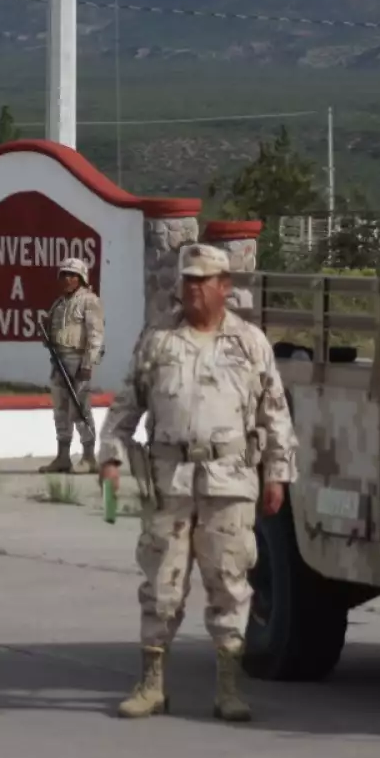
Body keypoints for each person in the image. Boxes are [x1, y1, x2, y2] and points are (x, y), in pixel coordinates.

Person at [97, 242, 298, 723]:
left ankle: (228, 687)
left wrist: (278, 474)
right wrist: (110, 456)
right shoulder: (159, 340)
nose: (191, 287)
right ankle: (152, 685)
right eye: (187, 279)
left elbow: (275, 414)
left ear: (224, 287)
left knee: (229, 582)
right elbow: (128, 403)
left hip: (230, 479)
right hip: (170, 478)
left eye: (202, 280)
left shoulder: (249, 343)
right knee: (161, 582)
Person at [39, 257, 105, 476]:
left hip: (78, 360)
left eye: (72, 275)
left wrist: (88, 363)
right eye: (64, 275)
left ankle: (89, 457)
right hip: (58, 360)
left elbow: (96, 335)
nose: (67, 279)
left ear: (81, 278)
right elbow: (51, 336)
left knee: (80, 408)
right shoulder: (58, 304)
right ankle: (63, 456)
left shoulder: (89, 301)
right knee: (60, 410)